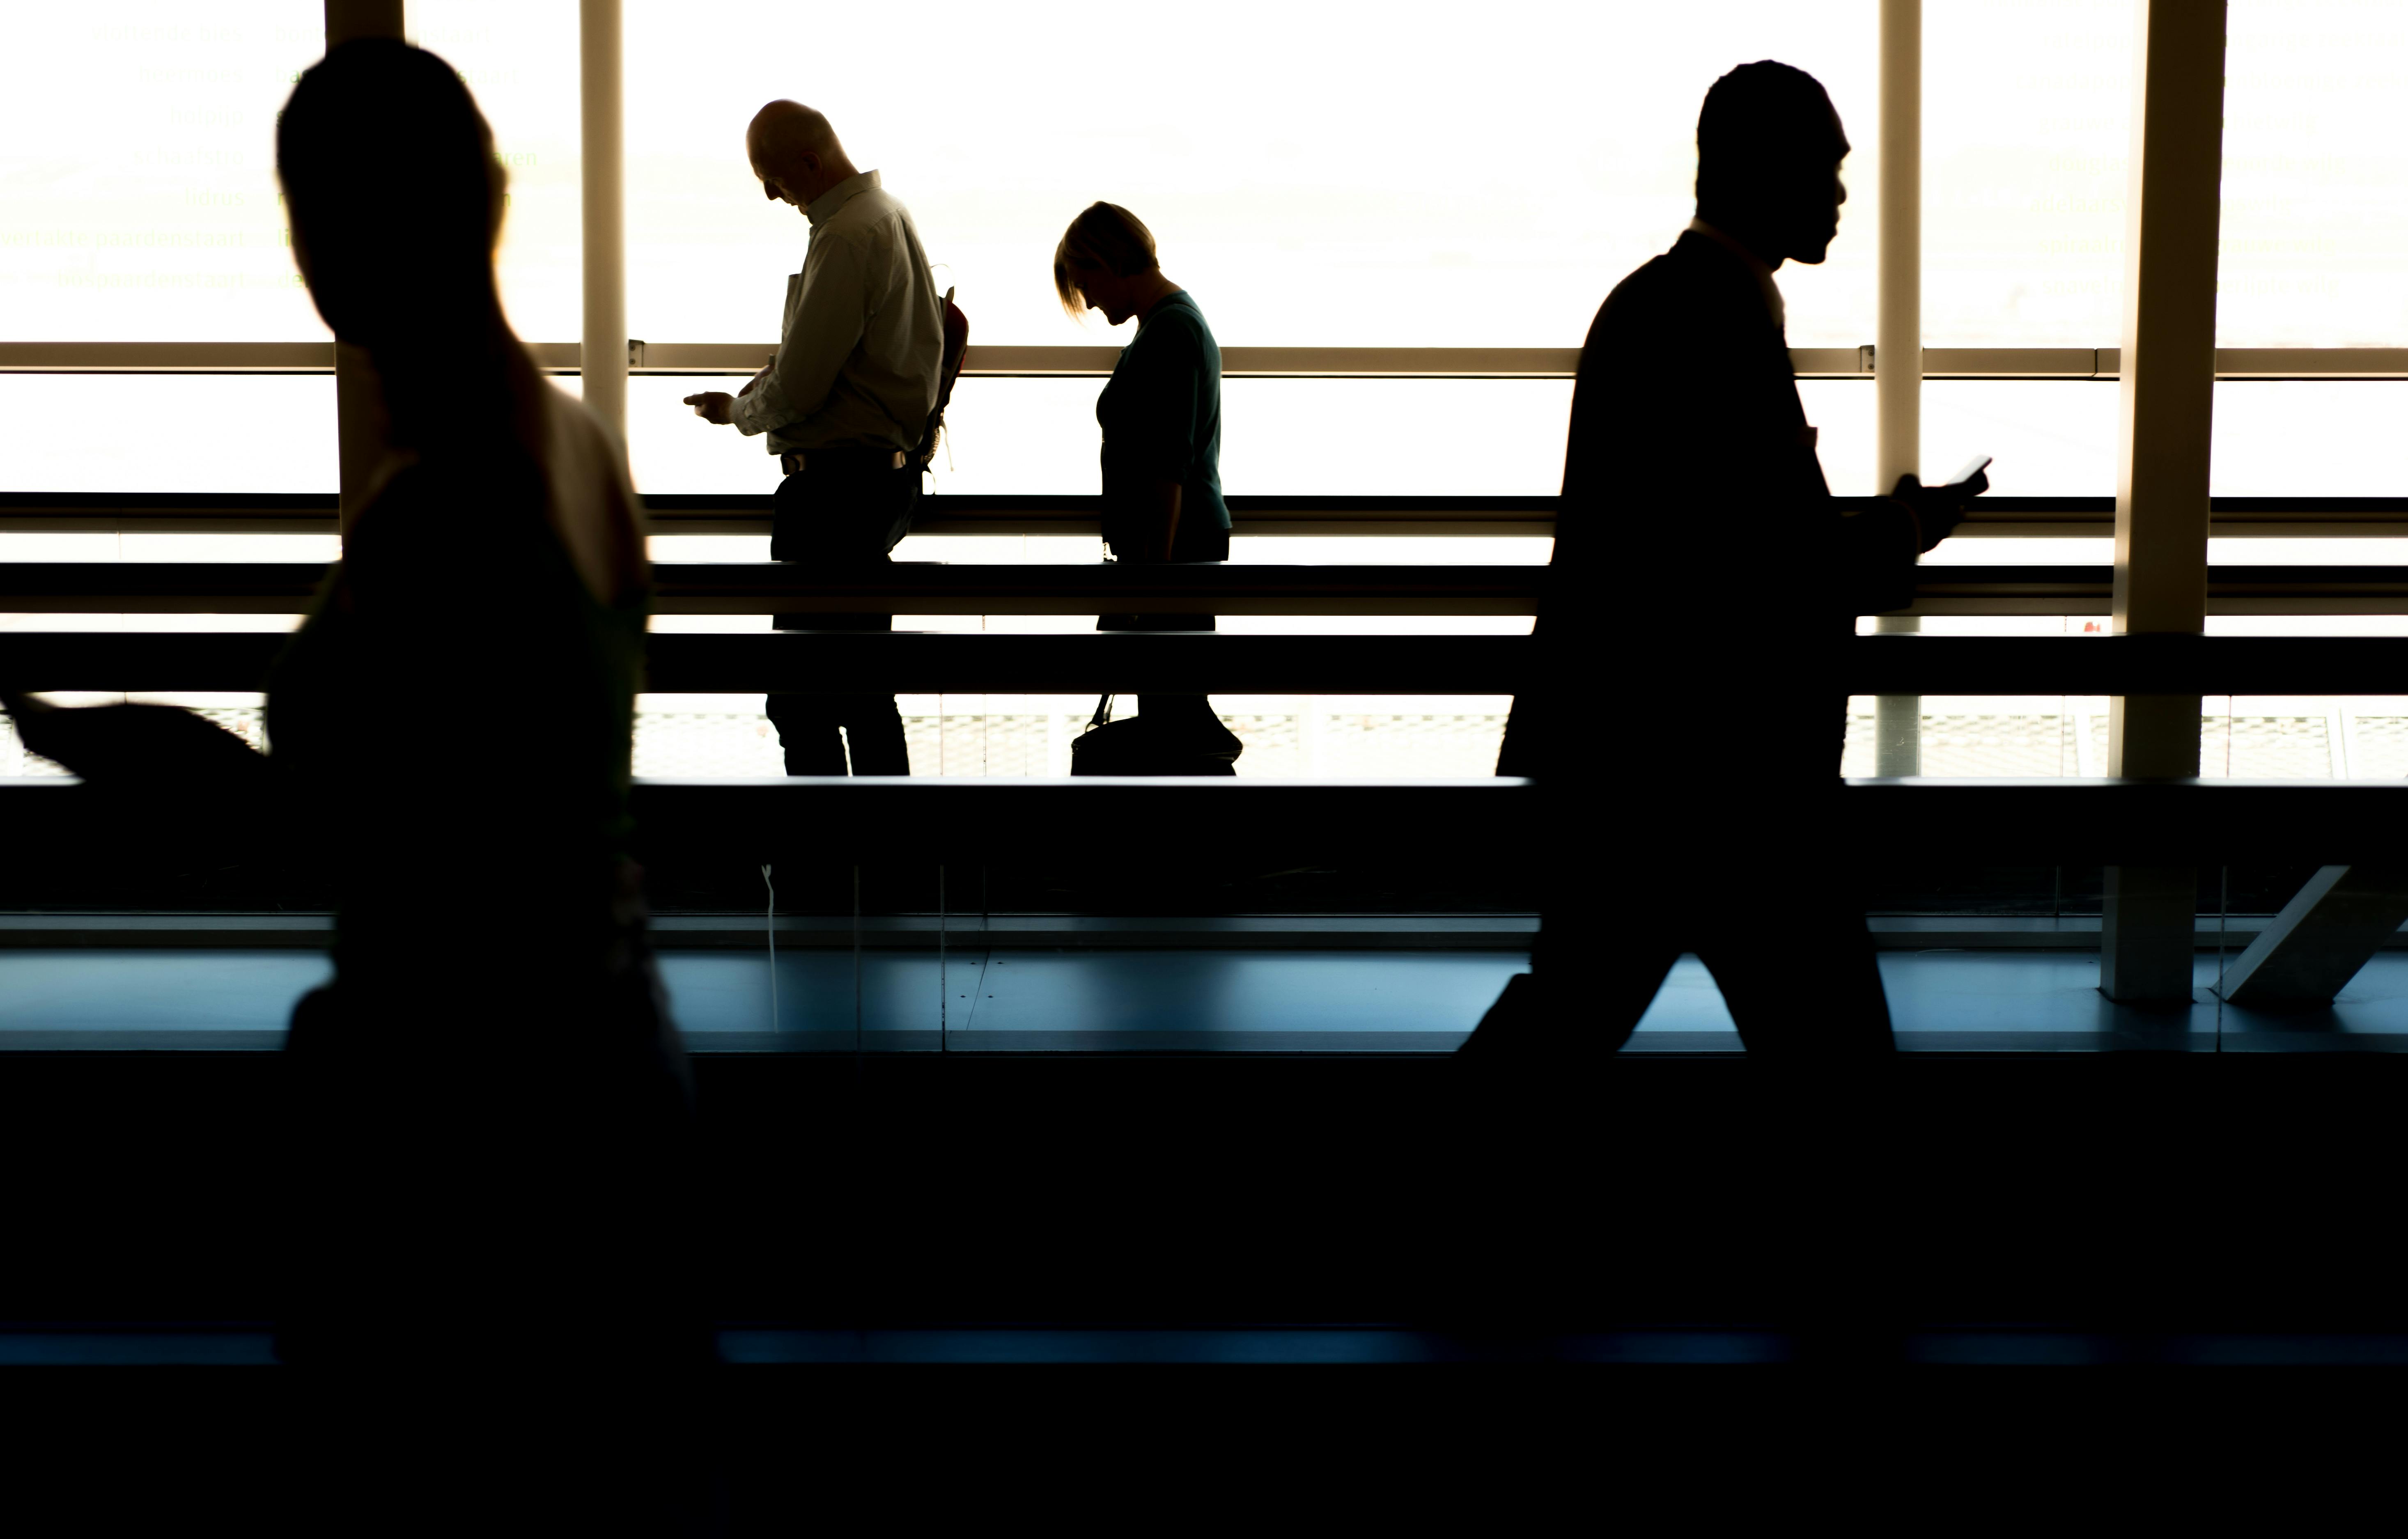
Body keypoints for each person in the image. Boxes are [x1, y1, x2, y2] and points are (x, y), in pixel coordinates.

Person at [7, 40, 711, 1400]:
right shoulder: (575, 446)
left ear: (335, 231)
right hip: (610, 1067)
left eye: (306, 207)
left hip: (462, 1123)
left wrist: (89, 736)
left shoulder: (447, 502)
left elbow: (335, 837)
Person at [1462, 61, 1976, 1059]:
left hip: (1639, 769)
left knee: (1566, 1014)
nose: (1837, 194)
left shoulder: (1658, 303)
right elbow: (1775, 562)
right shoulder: (1718, 321)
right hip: (1725, 783)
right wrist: (1908, 532)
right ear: (1762, 172)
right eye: (1824, 169)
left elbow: (1721, 532)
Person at [684, 101, 943, 777]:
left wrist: (738, 412)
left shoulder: (847, 236)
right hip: (878, 480)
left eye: (772, 177)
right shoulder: (887, 216)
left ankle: (819, 862)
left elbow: (801, 386)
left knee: (801, 696)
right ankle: (882, 866)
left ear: (809, 162)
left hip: (835, 493)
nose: (772, 194)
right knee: (861, 689)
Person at [1053, 201, 1243, 771]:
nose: (1086, 298)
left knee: (1174, 716)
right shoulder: (1169, 324)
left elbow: (1168, 467)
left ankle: (1209, 845)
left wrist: (1150, 585)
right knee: (1175, 713)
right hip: (1171, 551)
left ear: (1108, 261)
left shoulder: (1171, 331)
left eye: (1084, 281)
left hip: (1172, 553)